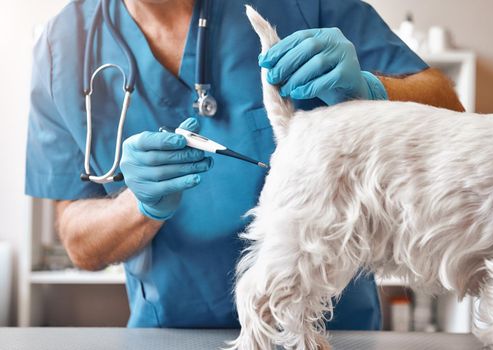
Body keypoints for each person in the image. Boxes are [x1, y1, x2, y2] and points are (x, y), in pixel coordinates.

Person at [26, 0, 463, 329]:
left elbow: (449, 110)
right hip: (173, 332)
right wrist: (138, 205)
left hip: (327, 330)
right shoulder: (63, 47)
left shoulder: (301, 4)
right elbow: (79, 244)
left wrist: (374, 91)